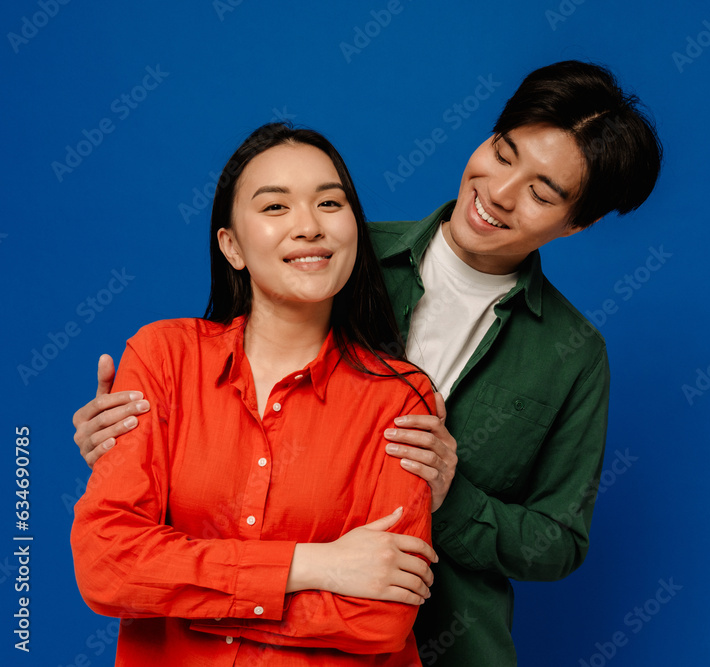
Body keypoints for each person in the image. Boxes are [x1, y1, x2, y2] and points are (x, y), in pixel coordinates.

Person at [73, 60, 663, 665]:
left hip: (455, 644)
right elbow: (220, 383)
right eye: (503, 153)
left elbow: (558, 541)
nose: (500, 192)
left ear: (578, 223)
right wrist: (138, 437)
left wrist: (448, 495)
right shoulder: (329, 247)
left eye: (542, 193)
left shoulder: (573, 355)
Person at [71, 122, 440, 665]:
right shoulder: (163, 358)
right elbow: (107, 566)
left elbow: (379, 618)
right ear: (232, 246)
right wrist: (312, 566)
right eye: (275, 208)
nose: (309, 226)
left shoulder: (400, 398)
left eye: (329, 203)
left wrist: (181, 598)